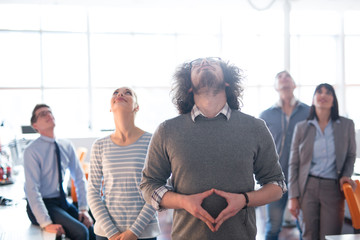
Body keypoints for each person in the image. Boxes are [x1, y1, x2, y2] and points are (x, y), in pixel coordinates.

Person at [140, 57, 287, 240]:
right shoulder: (167, 130)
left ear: (227, 81)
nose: (204, 63)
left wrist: (245, 200)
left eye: (212, 62)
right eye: (196, 64)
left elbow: (277, 185)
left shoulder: (255, 127)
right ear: (189, 86)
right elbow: (148, 185)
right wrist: (183, 202)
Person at [87, 87, 160, 240]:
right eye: (116, 93)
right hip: (106, 234)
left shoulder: (152, 141)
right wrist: (112, 233)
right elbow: (93, 192)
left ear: (137, 107)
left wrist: (134, 232)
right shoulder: (99, 145)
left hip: (144, 233)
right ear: (110, 106)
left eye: (128, 93)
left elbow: (156, 190)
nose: (120, 94)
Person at [288, 83, 357, 240]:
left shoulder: (347, 125)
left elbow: (351, 155)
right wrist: (293, 197)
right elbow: (293, 164)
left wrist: (346, 174)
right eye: (319, 92)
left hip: (333, 188)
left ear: (333, 101)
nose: (323, 95)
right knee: (308, 235)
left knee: (330, 235)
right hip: (307, 187)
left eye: (328, 93)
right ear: (313, 100)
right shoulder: (301, 128)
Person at [24, 104, 95, 240]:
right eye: (42, 114)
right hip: (42, 203)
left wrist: (83, 208)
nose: (48, 115)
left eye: (49, 112)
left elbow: (79, 178)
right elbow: (32, 190)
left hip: (61, 201)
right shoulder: (31, 151)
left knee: (90, 227)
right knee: (80, 232)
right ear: (35, 125)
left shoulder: (66, 145)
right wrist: (46, 223)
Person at [260, 71, 310, 240]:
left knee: (305, 228)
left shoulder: (309, 112)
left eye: (287, 76)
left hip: (302, 179)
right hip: (275, 180)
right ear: (275, 86)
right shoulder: (266, 116)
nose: (284, 78)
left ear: (294, 85)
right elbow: (260, 148)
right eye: (279, 77)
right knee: (273, 227)